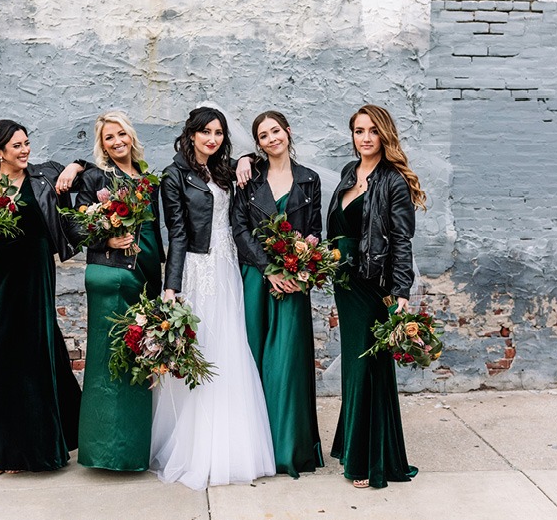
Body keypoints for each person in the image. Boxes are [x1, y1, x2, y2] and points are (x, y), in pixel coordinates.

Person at [150, 106, 276, 489]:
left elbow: (239, 215)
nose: (212, 138)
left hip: (227, 268)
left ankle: (234, 445)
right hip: (196, 269)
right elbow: (176, 232)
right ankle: (195, 448)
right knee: (201, 350)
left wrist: (246, 158)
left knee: (230, 349)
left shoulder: (225, 170)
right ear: (190, 134)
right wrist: (171, 286)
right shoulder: (174, 175)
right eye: (205, 131)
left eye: (218, 132)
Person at [0, 119, 86, 477]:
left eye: (26, 143)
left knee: (34, 353)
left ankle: (38, 447)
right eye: (16, 146)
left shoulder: (43, 176)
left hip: (34, 273)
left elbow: (90, 173)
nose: (25, 150)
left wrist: (75, 165)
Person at [326, 105, 426, 488]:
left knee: (368, 365)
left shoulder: (394, 181)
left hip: (373, 283)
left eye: (371, 130)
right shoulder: (349, 173)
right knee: (357, 364)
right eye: (357, 130)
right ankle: (357, 446)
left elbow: (402, 240)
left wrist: (401, 290)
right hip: (345, 282)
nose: (364, 137)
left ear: (384, 134)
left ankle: (369, 460)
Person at [231, 110, 325, 478]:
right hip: (257, 278)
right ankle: (257, 449)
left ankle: (290, 450)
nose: (272, 139)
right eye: (263, 135)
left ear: (287, 132)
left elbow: (315, 229)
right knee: (256, 359)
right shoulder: (250, 179)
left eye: (276, 131)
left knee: (289, 362)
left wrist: (302, 268)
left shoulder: (309, 180)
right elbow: (238, 229)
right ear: (258, 144)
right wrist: (268, 269)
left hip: (294, 280)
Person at [73, 111, 164, 471]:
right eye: (109, 138)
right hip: (111, 274)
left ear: (130, 136)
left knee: (140, 357)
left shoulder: (147, 178)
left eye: (121, 134)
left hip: (145, 272)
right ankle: (106, 451)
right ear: (103, 145)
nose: (116, 142)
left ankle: (134, 447)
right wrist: (108, 238)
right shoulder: (95, 177)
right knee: (107, 362)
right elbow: (77, 228)